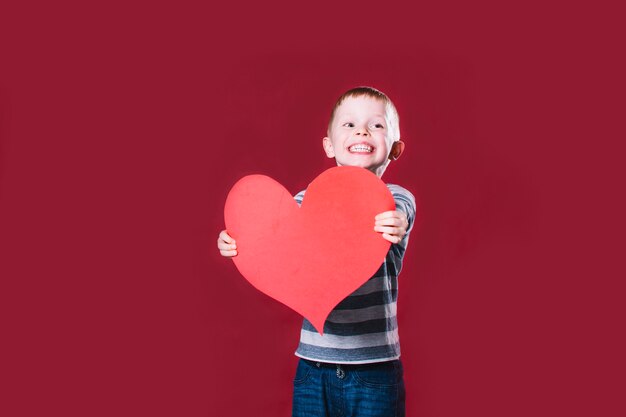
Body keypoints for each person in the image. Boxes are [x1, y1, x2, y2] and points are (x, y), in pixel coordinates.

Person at [217, 86, 417, 417]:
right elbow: (271, 238)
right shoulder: (303, 204)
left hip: (374, 369)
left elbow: (402, 213)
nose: (362, 131)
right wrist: (236, 241)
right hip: (313, 366)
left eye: (377, 125)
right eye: (349, 125)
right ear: (328, 145)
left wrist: (398, 221)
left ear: (395, 148)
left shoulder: (394, 199)